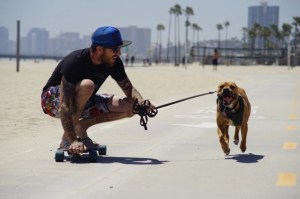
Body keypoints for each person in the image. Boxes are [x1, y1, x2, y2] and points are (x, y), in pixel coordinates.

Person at [41, 26, 155, 154]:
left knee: (131, 107)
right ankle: (66, 140)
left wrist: (142, 102)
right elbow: (64, 106)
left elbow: (129, 89)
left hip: (84, 100)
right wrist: (73, 140)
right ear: (100, 49)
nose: (119, 53)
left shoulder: (114, 62)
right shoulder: (75, 61)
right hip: (52, 101)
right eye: (115, 49)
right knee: (88, 85)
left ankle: (82, 127)